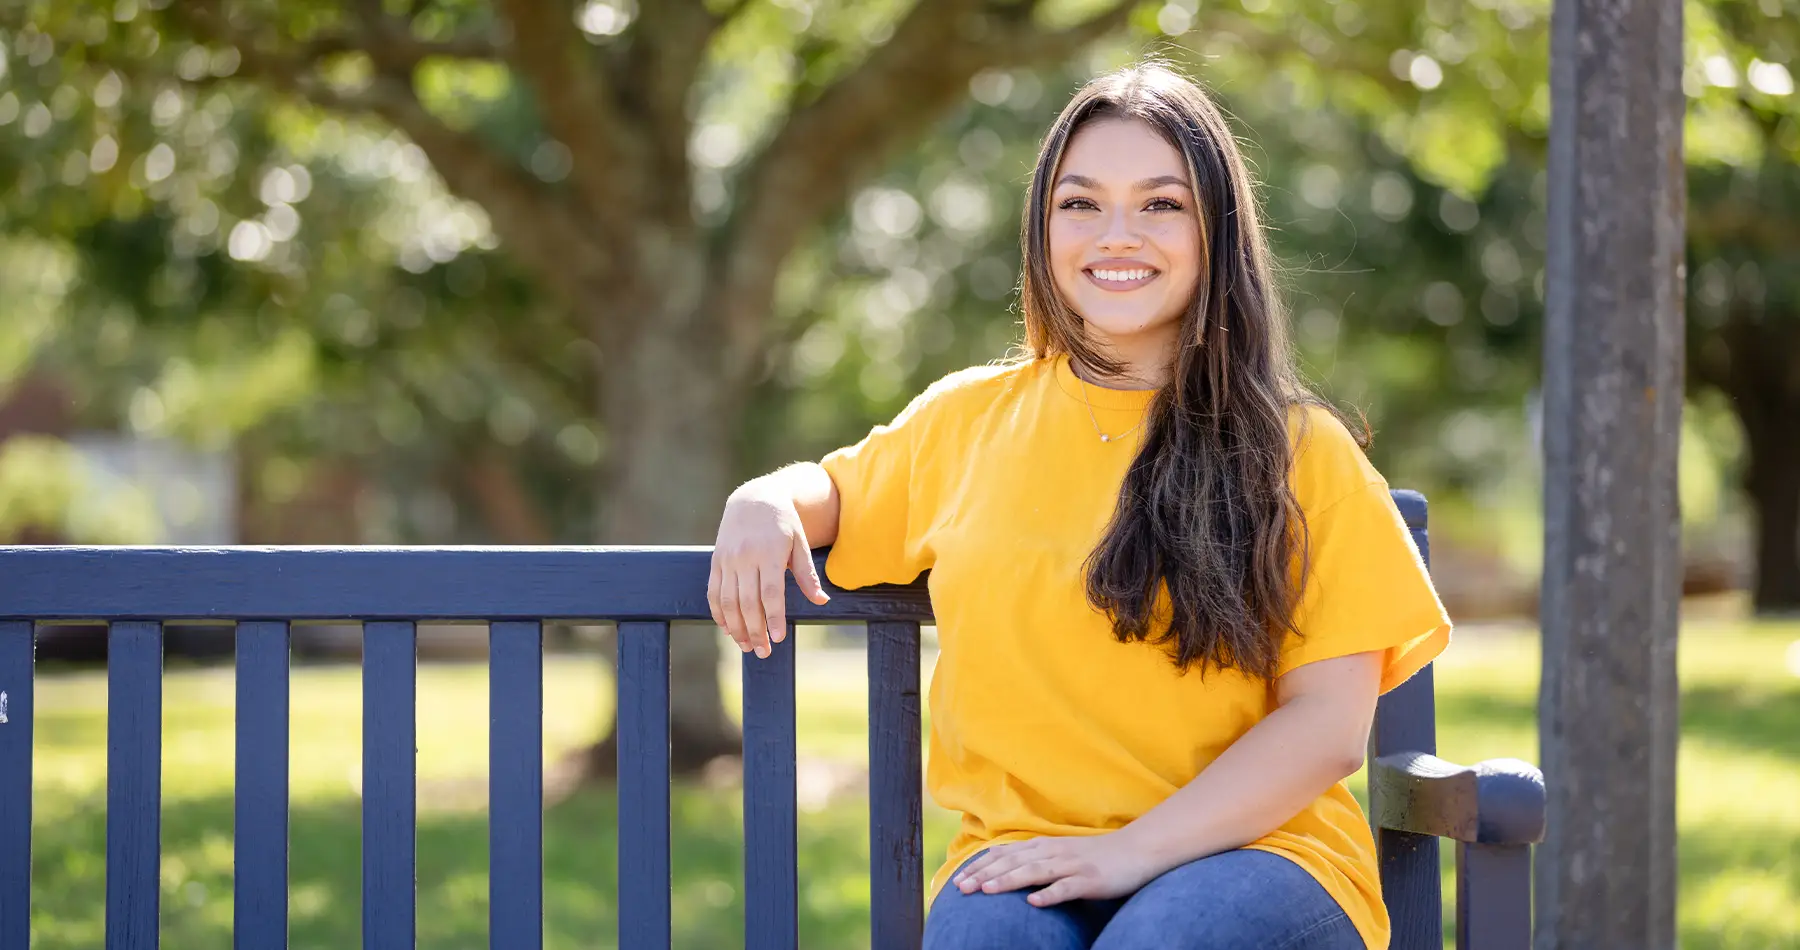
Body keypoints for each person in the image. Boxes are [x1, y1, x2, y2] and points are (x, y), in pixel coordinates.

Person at [707, 60, 1450, 950]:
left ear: (1217, 231)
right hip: (1022, 861)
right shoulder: (966, 421)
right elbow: (832, 490)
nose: (1117, 235)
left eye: (1161, 205)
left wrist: (1130, 854)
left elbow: (1328, 730)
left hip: (1263, 859)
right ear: (1042, 228)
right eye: (1081, 203)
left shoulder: (1296, 450)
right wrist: (763, 498)